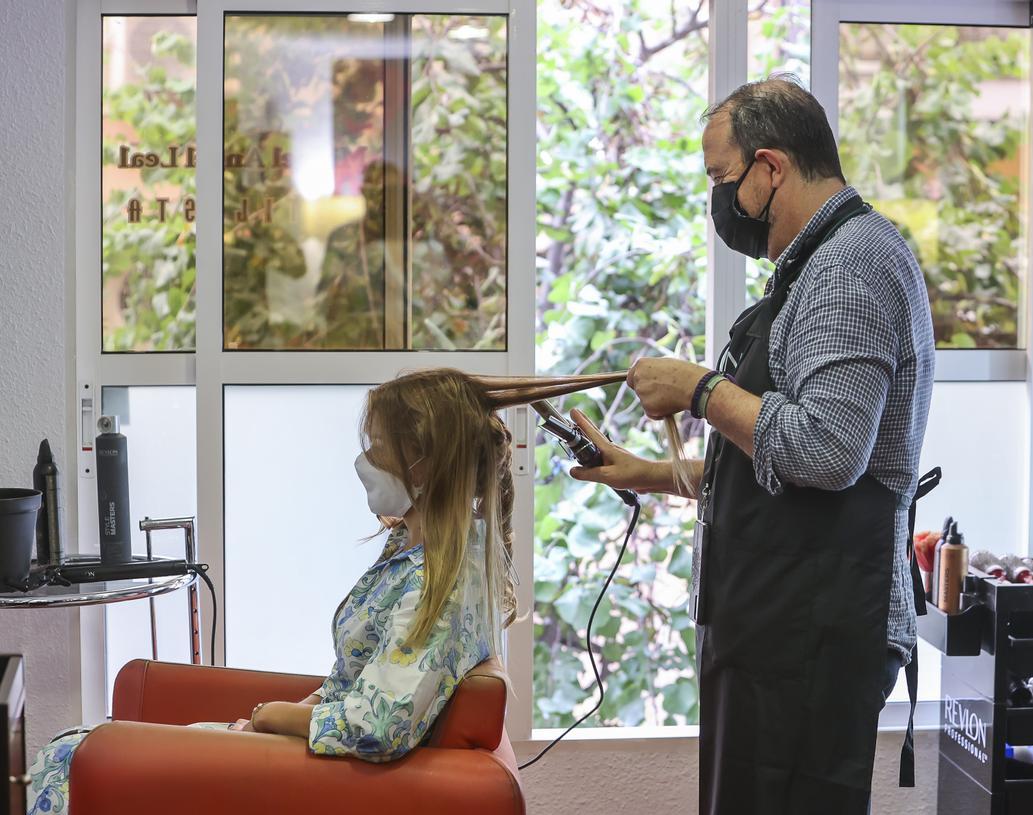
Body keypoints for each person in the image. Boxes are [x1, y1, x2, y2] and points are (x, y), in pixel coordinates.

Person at [569, 75, 936, 813]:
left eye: (723, 178)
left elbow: (828, 451)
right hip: (781, 626)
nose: (721, 201)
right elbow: (782, 464)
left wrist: (699, 389)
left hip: (815, 633)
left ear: (770, 167)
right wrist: (654, 473)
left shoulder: (849, 268)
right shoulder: (813, 266)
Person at [27, 368, 518, 815]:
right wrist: (297, 711)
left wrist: (270, 716)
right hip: (305, 748)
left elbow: (378, 726)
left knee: (70, 758)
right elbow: (365, 678)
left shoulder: (439, 579)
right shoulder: (417, 550)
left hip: (318, 772)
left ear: (423, 465)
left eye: (377, 446)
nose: (363, 461)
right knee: (72, 744)